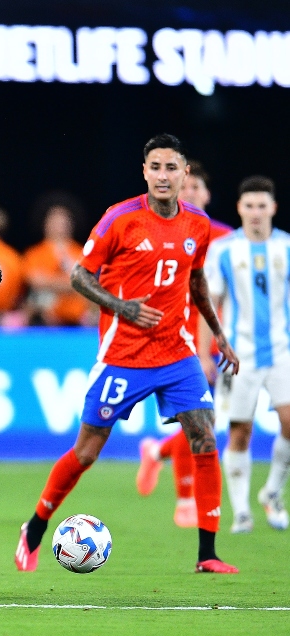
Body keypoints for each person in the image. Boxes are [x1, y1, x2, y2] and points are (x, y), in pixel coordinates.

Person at [13, 134, 241, 575]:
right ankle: (36, 527)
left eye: (171, 168)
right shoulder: (121, 218)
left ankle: (207, 553)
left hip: (177, 351)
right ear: (144, 172)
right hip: (124, 353)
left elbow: (196, 285)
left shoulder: (196, 224)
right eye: (155, 167)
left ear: (184, 173)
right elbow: (80, 276)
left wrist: (219, 335)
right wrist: (122, 307)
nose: (163, 175)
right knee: (87, 451)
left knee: (205, 437)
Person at [135, 160, 233, 528]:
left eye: (197, 188)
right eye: (185, 188)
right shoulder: (163, 233)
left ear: (207, 194)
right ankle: (185, 500)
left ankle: (156, 451)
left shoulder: (226, 239)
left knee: (202, 422)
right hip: (174, 337)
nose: (190, 193)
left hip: (212, 336)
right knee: (196, 419)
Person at [200, 176, 290, 533]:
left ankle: (272, 492)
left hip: (283, 349)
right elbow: (209, 304)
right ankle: (240, 510)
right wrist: (203, 353)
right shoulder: (224, 250)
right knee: (240, 431)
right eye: (249, 206)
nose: (255, 212)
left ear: (273, 208)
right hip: (240, 354)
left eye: (261, 205)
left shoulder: (286, 246)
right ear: (239, 208)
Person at [21, 196, 90, 326]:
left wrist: (51, 282)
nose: (59, 226)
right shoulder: (34, 253)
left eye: (63, 222)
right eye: (54, 221)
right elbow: (35, 281)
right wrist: (69, 284)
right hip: (45, 321)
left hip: (78, 321)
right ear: (46, 224)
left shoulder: (81, 252)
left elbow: (86, 283)